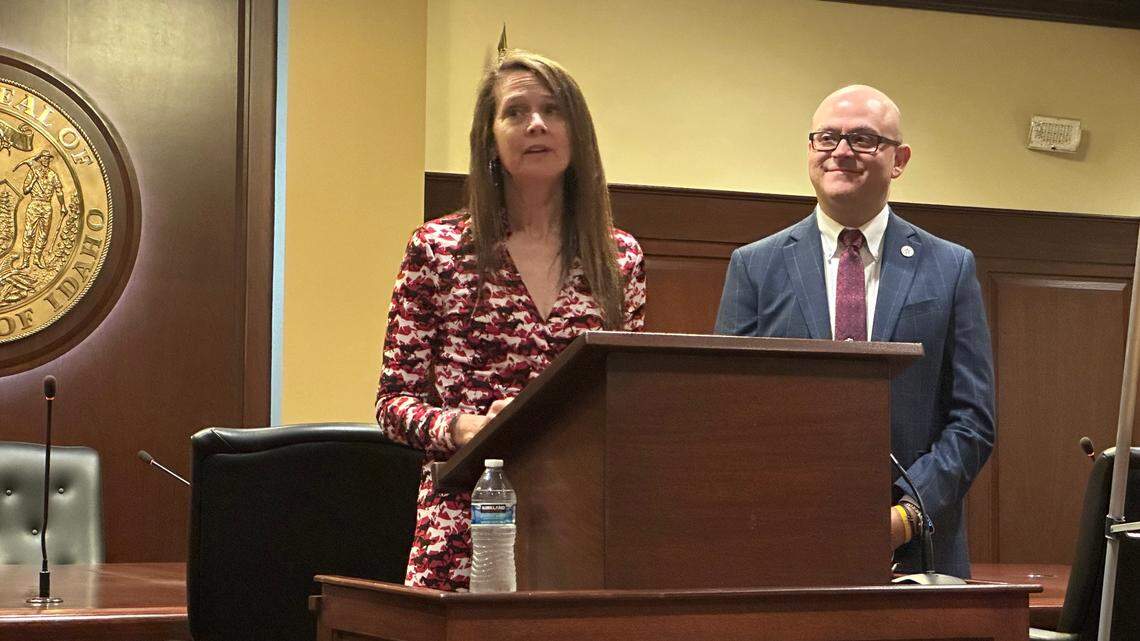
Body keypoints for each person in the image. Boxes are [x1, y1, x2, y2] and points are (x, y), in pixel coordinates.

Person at [376, 49, 646, 591]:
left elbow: (626, 401)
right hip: (461, 523)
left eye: (552, 109)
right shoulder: (439, 248)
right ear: (490, 137)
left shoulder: (619, 259)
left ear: (578, 133)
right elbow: (392, 403)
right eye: (516, 112)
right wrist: (462, 427)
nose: (537, 124)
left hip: (579, 530)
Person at [714, 85, 994, 578]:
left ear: (899, 159)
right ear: (810, 151)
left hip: (919, 549)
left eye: (863, 139)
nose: (840, 151)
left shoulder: (950, 267)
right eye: (826, 138)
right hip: (782, 542)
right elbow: (728, 413)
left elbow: (972, 419)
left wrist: (906, 516)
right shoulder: (754, 267)